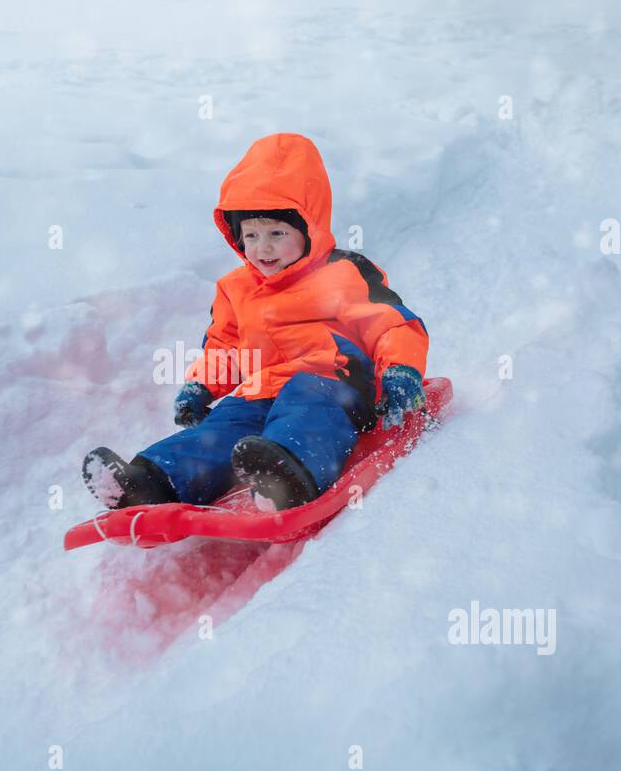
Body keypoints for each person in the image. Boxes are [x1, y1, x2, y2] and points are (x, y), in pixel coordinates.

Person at [83, 132, 431, 513]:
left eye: (277, 234)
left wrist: (400, 371)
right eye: (252, 235)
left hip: (332, 386)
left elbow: (391, 325)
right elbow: (224, 346)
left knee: (307, 408)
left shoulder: (344, 274)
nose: (262, 248)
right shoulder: (235, 288)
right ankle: (151, 481)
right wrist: (202, 386)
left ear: (309, 228)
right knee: (222, 429)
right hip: (262, 390)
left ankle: (286, 474)